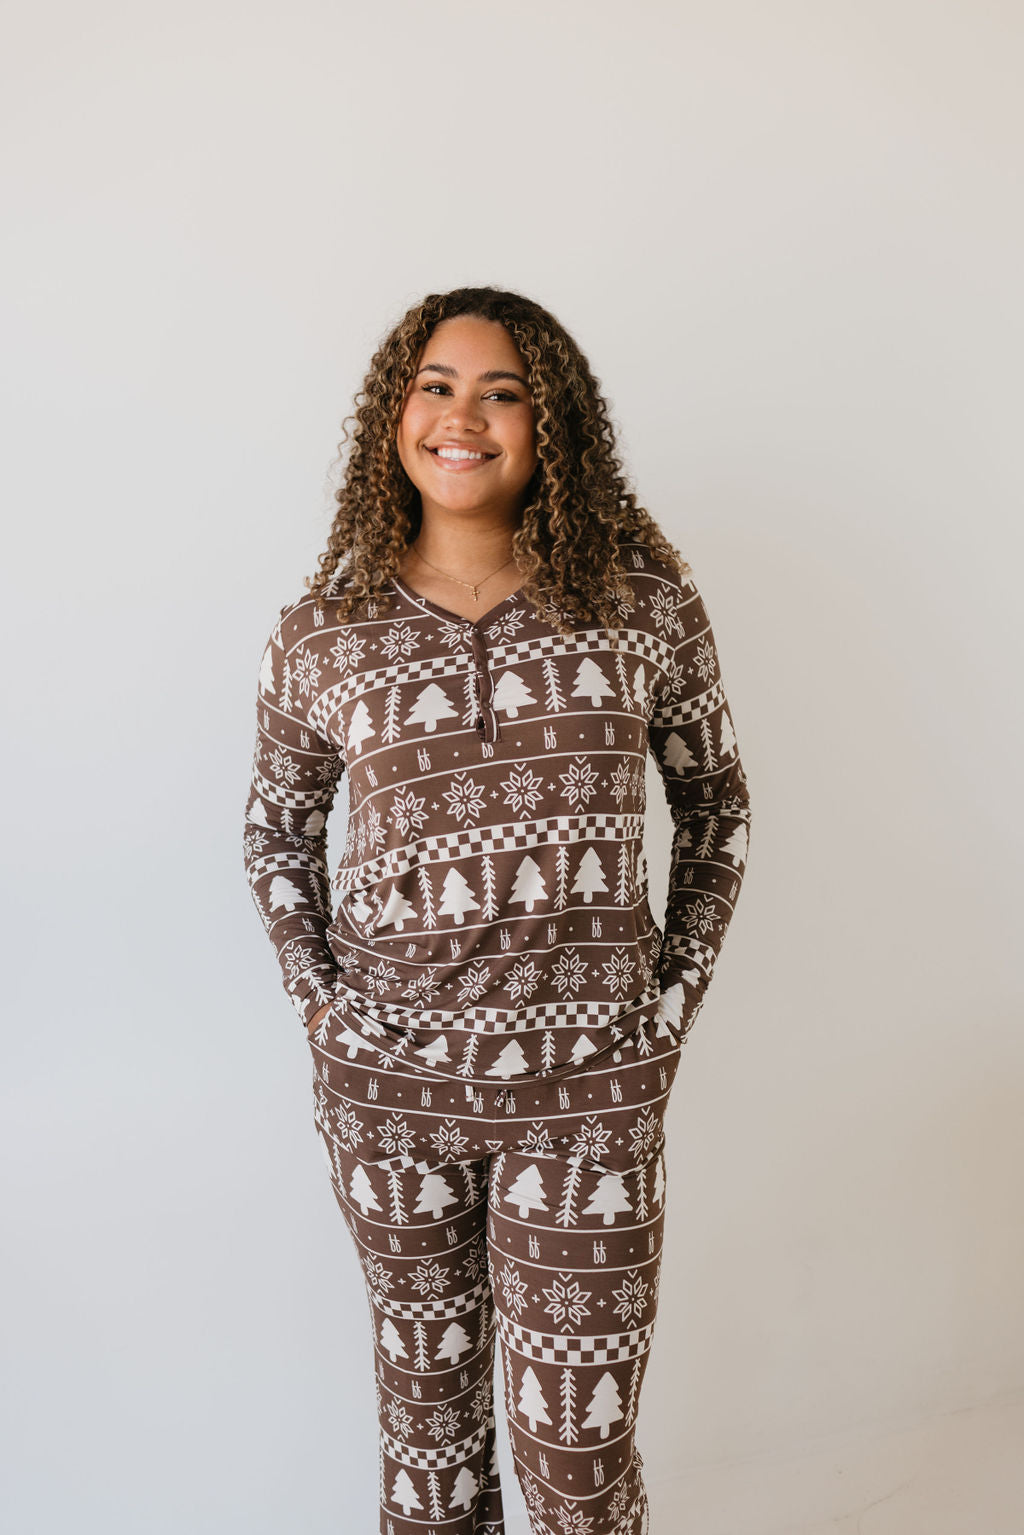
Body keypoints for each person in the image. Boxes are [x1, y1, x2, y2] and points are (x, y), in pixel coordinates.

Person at [242, 286, 752, 1535]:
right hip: (390, 1102)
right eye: (435, 384)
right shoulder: (324, 630)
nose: (462, 415)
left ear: (550, 426)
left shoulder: (641, 603)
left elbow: (718, 809)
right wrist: (330, 1015)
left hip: (591, 1095)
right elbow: (274, 831)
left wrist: (660, 1011)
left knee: (577, 1464)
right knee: (431, 1450)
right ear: (394, 415)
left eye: (502, 391)